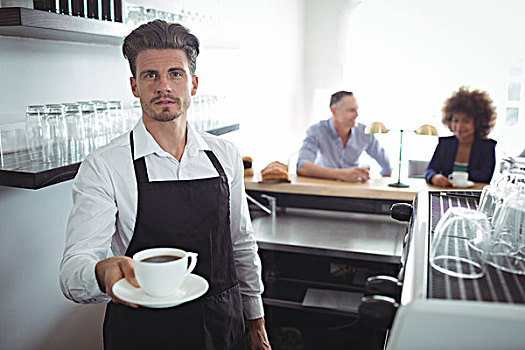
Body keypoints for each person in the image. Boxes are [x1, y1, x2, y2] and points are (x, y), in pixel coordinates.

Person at [59, 20, 270, 349]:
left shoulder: (225, 154)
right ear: (134, 86)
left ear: (194, 83)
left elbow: (241, 245)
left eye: (175, 73)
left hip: (222, 326)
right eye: (150, 75)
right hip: (142, 332)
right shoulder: (105, 165)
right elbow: (73, 270)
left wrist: (256, 322)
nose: (163, 87)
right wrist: (102, 270)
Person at [296, 91, 392, 182]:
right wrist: (343, 174)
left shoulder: (364, 133)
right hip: (324, 188)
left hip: (353, 191)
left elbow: (386, 167)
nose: (356, 115)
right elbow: (302, 167)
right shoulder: (316, 131)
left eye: (356, 110)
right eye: (351, 110)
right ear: (334, 111)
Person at [425, 86, 497, 186]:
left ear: (477, 123)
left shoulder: (487, 147)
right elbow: (430, 170)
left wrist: (455, 178)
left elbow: (485, 176)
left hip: (474, 197)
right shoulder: (445, 143)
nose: (459, 126)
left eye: (466, 121)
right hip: (445, 194)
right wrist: (434, 177)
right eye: (456, 120)